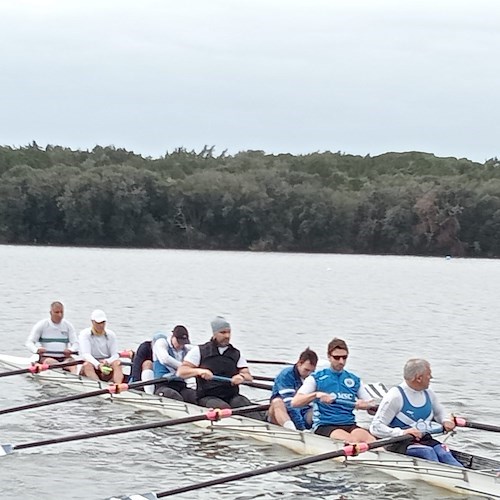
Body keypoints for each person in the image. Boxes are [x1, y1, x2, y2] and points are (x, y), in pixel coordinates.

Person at [369, 358, 463, 466]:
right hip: (399, 443)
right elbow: (375, 427)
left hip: (424, 439)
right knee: (428, 452)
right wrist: (402, 432)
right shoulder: (395, 396)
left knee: (444, 453)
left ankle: (465, 476)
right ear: (419, 378)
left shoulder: (428, 393)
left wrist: (445, 420)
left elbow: (439, 412)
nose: (431, 377)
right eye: (429, 374)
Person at [291, 338, 375, 442]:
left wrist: (367, 405)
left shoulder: (354, 380)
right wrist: (316, 395)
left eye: (344, 357)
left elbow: (372, 408)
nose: (341, 361)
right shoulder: (316, 378)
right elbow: (295, 402)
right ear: (329, 357)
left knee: (372, 441)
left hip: (349, 424)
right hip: (325, 425)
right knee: (352, 441)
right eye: (337, 357)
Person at [177, 316, 260, 416]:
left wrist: (241, 377)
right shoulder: (200, 351)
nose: (227, 336)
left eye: (229, 332)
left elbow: (248, 376)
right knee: (223, 408)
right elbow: (181, 372)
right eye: (223, 332)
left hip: (231, 396)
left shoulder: (235, 353)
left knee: (245, 405)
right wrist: (199, 371)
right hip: (208, 397)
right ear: (214, 334)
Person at [269, 347, 318, 430]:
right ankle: (292, 430)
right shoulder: (286, 375)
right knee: (277, 402)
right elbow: (290, 405)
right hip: (282, 413)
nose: (309, 374)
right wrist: (301, 428)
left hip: (304, 413)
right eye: (306, 370)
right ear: (299, 363)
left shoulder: (313, 377)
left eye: (312, 371)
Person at [25, 301, 79, 372]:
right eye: (57, 312)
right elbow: (29, 343)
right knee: (50, 362)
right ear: (51, 313)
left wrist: (71, 350)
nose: (60, 315)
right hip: (47, 358)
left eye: (61, 312)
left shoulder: (68, 326)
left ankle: (74, 379)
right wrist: (36, 350)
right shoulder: (42, 325)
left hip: (64, 358)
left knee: (72, 363)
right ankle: (63, 372)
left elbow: (76, 343)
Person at [151, 325, 196, 403]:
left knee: (194, 396)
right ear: (173, 337)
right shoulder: (161, 343)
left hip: (180, 384)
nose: (181, 345)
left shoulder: (187, 349)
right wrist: (186, 369)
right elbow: (165, 359)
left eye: (183, 343)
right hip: (163, 384)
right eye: (179, 342)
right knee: (175, 396)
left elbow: (199, 351)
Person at [78, 309, 124, 384]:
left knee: (117, 363)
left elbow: (115, 355)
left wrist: (107, 361)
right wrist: (98, 365)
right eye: (98, 323)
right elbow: (86, 354)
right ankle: (98, 385)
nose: (101, 325)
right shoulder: (84, 334)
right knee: (87, 365)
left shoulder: (111, 335)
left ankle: (118, 386)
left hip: (106, 365)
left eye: (103, 322)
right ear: (92, 322)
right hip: (91, 364)